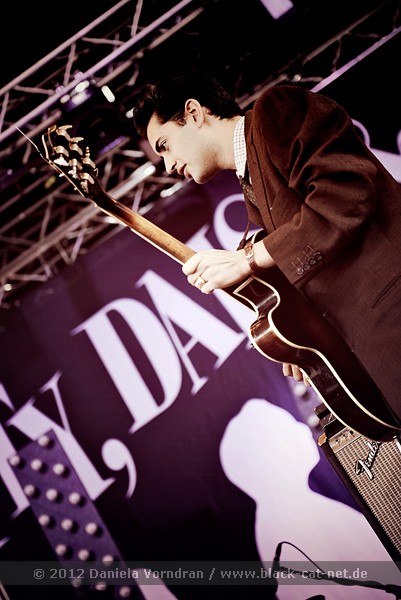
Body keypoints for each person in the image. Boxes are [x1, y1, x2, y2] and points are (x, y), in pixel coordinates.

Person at [132, 69, 401, 427]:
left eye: (164, 145)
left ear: (194, 113)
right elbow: (325, 255)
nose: (167, 165)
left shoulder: (277, 109)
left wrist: (248, 258)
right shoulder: (253, 190)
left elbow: (345, 197)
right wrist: (303, 338)